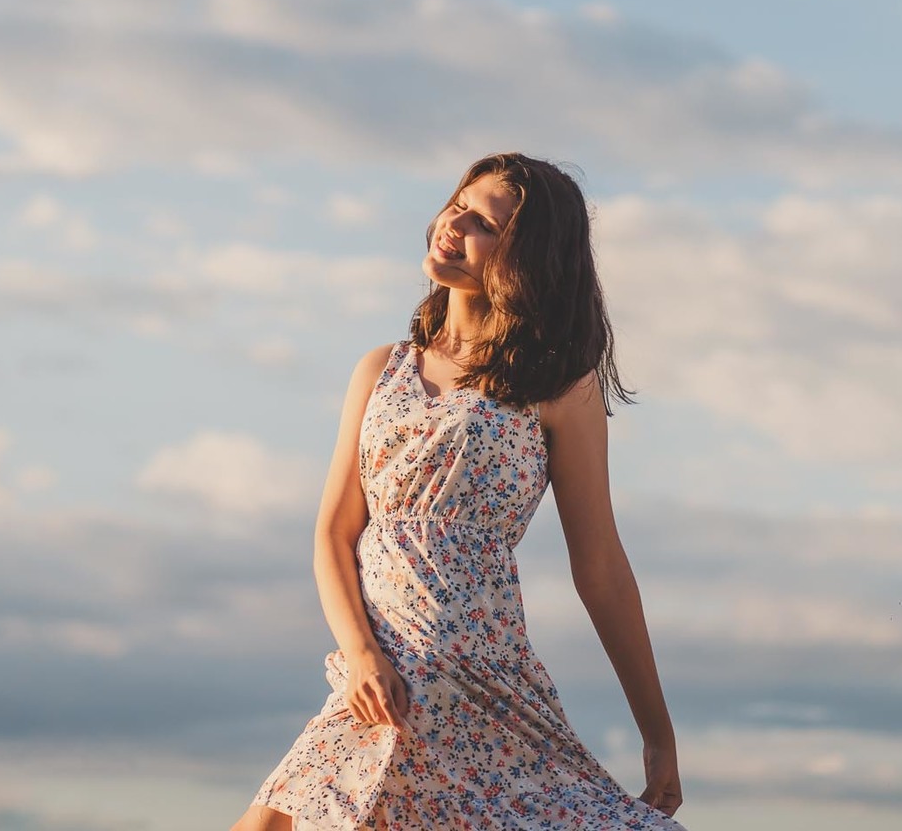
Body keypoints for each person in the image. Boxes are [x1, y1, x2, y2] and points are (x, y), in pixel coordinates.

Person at [232, 151, 687, 830]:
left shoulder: (558, 387)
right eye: (459, 205)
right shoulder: (381, 370)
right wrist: (360, 656)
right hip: (380, 681)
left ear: (528, 259)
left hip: (483, 687)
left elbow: (600, 567)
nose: (455, 224)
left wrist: (657, 733)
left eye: (485, 224)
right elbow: (334, 533)